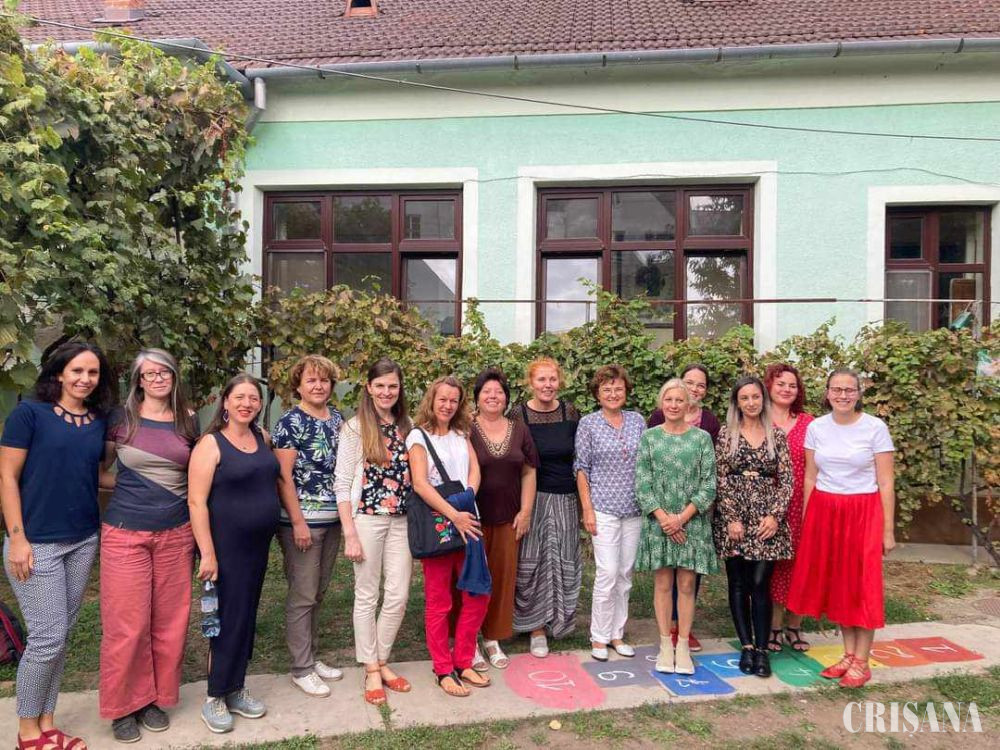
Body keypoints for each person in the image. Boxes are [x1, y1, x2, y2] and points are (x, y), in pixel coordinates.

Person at [2, 341, 116, 750]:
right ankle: (27, 732)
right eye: (77, 371)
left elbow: (96, 476)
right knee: (46, 638)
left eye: (93, 372)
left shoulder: (97, 422)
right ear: (59, 373)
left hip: (82, 538)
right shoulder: (29, 414)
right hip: (36, 542)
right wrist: (17, 537)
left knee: (61, 635)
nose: (85, 379)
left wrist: (156, 481)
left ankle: (47, 723)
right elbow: (7, 477)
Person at [98, 349, 199, 743]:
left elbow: (198, 473)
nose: (158, 379)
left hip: (177, 534)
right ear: (138, 380)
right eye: (150, 374)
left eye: (165, 372)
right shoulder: (120, 420)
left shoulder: (188, 420)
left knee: (170, 623)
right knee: (127, 626)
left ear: (174, 376)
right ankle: (123, 706)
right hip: (126, 533)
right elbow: (100, 473)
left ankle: (154, 699)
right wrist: (133, 486)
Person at [787, 369, 895, 689]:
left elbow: (886, 482)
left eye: (849, 390)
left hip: (863, 511)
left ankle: (862, 660)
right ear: (827, 392)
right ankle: (848, 654)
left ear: (859, 393)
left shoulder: (875, 428)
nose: (843, 395)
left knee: (862, 585)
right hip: (825, 510)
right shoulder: (817, 428)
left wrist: (887, 530)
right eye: (837, 389)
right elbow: (810, 477)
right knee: (839, 584)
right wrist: (807, 520)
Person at [188, 374, 279, 733]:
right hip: (225, 548)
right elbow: (196, 502)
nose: (246, 403)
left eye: (253, 398)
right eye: (239, 397)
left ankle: (236, 687)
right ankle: (215, 695)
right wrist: (207, 554)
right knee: (225, 618)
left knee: (246, 616)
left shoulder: (263, 438)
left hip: (257, 547)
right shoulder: (210, 444)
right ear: (225, 402)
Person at [333, 358, 413, 706]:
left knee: (398, 594)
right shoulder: (355, 428)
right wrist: (349, 532)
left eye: (392, 386)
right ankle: (371, 669)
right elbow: (341, 482)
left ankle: (381, 659)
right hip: (366, 519)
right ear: (369, 387)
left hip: (402, 520)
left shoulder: (408, 426)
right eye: (379, 385)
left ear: (399, 388)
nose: (386, 392)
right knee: (367, 595)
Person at [407, 376, 490, 697]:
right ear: (432, 399)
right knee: (440, 601)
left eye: (454, 400)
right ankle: (443, 668)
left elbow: (474, 469)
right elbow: (420, 483)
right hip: (440, 526)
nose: (448, 405)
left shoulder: (461, 432)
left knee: (477, 593)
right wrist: (454, 514)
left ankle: (464, 660)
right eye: (442, 399)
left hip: (470, 521)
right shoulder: (418, 436)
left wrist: (468, 497)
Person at [272, 355, 345, 698]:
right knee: (303, 594)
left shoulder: (338, 419)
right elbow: (283, 477)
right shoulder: (290, 422)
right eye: (311, 380)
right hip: (301, 523)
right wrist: (298, 522)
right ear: (298, 386)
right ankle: (301, 668)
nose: (318, 386)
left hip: (332, 520)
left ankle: (312, 658)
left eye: (324, 380)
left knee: (318, 592)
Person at [635, 379, 717, 675]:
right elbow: (642, 482)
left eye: (679, 400)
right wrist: (664, 518)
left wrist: (681, 518)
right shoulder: (649, 437)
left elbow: (709, 484)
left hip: (691, 522)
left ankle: (682, 644)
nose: (673, 405)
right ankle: (664, 644)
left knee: (686, 584)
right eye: (668, 400)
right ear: (662, 403)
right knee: (663, 583)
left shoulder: (702, 439)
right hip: (658, 522)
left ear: (688, 404)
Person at [713, 376, 793, 678]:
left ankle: (762, 649)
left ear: (763, 399)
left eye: (755, 397)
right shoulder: (727, 434)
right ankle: (746, 646)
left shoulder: (776, 435)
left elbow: (787, 480)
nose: (750, 403)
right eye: (744, 398)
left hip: (765, 520)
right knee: (737, 583)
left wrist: (775, 516)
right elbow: (720, 477)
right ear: (737, 402)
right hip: (734, 517)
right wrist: (731, 517)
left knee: (760, 583)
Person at [512, 358, 581, 658]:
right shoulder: (519, 414)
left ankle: (558, 620)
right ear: (531, 382)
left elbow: (580, 457)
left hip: (566, 497)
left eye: (552, 379)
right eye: (541, 379)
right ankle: (535, 627)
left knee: (563, 561)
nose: (547, 385)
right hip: (533, 498)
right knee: (532, 562)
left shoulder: (570, 412)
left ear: (559, 381)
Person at [575, 364, 645, 662]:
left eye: (618, 388)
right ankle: (599, 637)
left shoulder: (637, 421)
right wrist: (587, 509)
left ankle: (617, 633)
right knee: (607, 573)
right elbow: (581, 468)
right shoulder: (588, 424)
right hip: (602, 508)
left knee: (625, 574)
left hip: (634, 509)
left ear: (626, 391)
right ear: (597, 394)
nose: (613, 394)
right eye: (607, 389)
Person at [469, 368, 538, 670]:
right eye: (487, 391)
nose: (493, 396)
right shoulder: (465, 428)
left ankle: (492, 638)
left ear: (507, 398)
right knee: (472, 579)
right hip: (472, 519)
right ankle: (469, 639)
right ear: (477, 397)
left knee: (502, 579)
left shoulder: (519, 429)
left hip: (509, 518)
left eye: (499, 392)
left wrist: (526, 511)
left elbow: (529, 471)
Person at [764, 363, 815, 653]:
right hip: (765, 506)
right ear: (769, 386)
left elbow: (814, 469)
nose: (786, 389)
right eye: (780, 383)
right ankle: (773, 626)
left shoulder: (809, 424)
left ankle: (794, 626)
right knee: (772, 567)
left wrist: (810, 510)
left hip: (800, 504)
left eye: (792, 385)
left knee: (799, 566)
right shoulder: (757, 419)